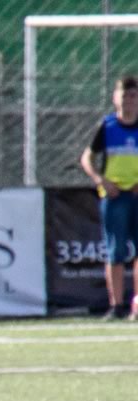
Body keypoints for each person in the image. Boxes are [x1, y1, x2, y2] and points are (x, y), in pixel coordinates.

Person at [80, 75, 138, 320]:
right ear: (115, 98)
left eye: (133, 96)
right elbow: (86, 159)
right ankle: (116, 306)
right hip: (114, 197)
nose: (129, 101)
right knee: (115, 252)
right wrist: (101, 181)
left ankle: (136, 307)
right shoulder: (108, 126)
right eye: (124, 96)